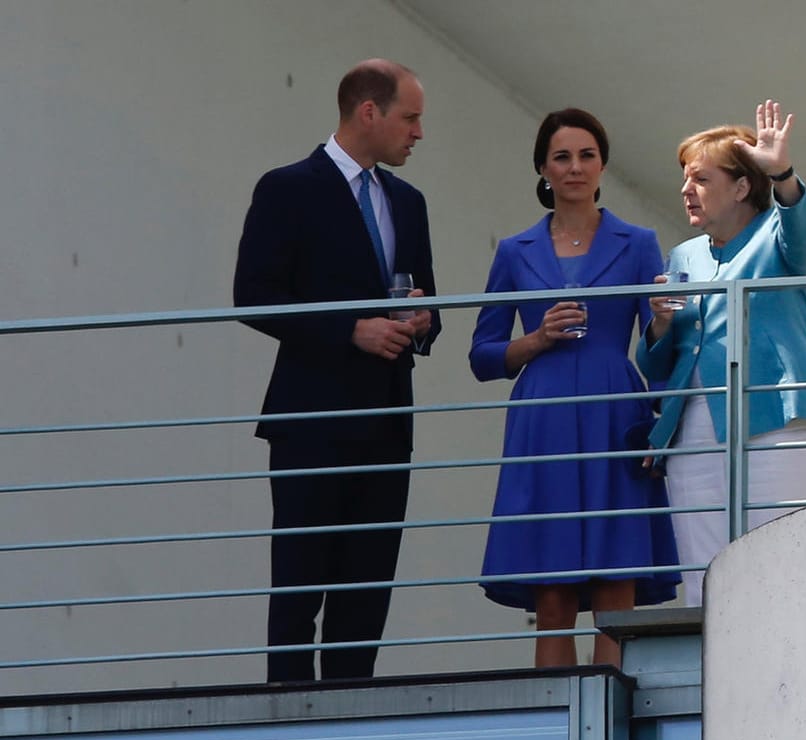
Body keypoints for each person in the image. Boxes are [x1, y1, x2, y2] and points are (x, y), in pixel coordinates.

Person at [233, 59, 441, 682]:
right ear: (368, 112)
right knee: (298, 584)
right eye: (411, 117)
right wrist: (350, 328)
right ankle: (288, 726)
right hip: (310, 420)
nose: (419, 133)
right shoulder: (288, 187)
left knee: (367, 590)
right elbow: (254, 295)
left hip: (386, 422)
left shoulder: (409, 201)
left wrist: (423, 321)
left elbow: (427, 299)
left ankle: (353, 721)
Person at [470, 108, 679, 668]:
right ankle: (560, 729)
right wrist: (537, 338)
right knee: (553, 590)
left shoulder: (638, 243)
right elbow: (483, 355)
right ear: (542, 167)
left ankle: (613, 726)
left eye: (586, 155)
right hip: (546, 415)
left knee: (618, 587)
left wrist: (662, 416)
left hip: (616, 411)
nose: (575, 167)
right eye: (562, 156)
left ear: (603, 165)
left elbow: (658, 347)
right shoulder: (515, 251)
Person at [636, 100, 806, 607]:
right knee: (704, 576)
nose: (687, 190)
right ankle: (712, 681)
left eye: (701, 179)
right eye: (685, 179)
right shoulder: (684, 256)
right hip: (694, 427)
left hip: (780, 415)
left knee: (787, 563)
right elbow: (659, 364)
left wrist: (784, 175)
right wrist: (661, 323)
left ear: (741, 186)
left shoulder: (777, 237)